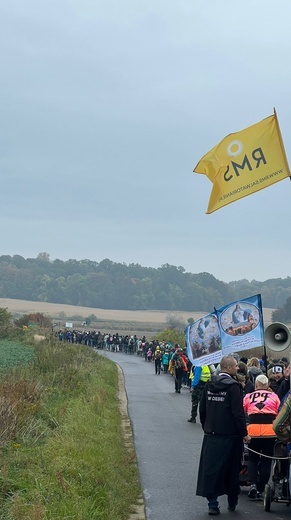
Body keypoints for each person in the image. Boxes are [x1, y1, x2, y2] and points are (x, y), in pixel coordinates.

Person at [196, 355, 251, 515]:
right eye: (235, 366)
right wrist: (244, 434)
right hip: (231, 436)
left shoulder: (209, 384)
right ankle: (232, 501)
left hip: (212, 435)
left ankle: (212, 504)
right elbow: (238, 414)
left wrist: (206, 426)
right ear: (228, 368)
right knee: (232, 470)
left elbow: (203, 409)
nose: (237, 368)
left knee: (211, 470)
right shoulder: (234, 387)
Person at [243, 374, 280, 500]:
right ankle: (261, 487)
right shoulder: (274, 396)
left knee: (253, 458)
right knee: (266, 459)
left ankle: (252, 483)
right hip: (269, 431)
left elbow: (244, 411)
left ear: (256, 385)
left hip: (253, 430)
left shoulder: (248, 397)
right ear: (268, 385)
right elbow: (278, 412)